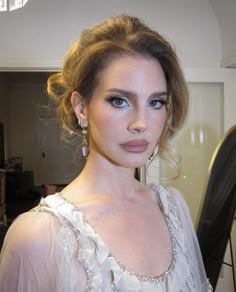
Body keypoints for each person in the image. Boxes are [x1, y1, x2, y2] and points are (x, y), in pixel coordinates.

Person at [0, 15, 212, 291]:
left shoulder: (174, 208)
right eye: (119, 100)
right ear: (81, 108)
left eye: (156, 102)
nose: (141, 123)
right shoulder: (38, 236)